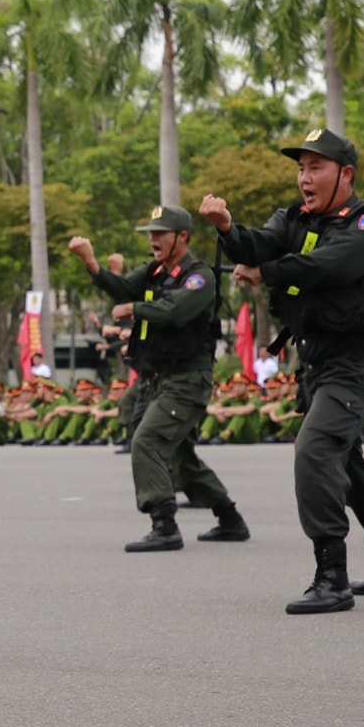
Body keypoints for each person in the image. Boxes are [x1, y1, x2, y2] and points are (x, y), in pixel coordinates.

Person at [203, 127, 364, 613]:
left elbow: (334, 266)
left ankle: (332, 576)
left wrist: (270, 272)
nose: (305, 178)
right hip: (317, 361)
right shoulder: (295, 219)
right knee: (347, 467)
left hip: (356, 363)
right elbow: (259, 244)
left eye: (316, 167)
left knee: (314, 453)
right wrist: (227, 229)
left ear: (345, 173)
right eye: (301, 168)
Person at [70, 207, 247, 551]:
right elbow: (122, 288)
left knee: (146, 442)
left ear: (182, 236)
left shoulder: (198, 277)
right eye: (150, 233)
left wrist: (135, 309)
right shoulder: (153, 271)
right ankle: (230, 519)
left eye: (160, 233)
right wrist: (91, 262)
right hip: (159, 377)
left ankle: (163, 523)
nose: (152, 239)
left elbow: (176, 310)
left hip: (187, 379)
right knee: (181, 457)